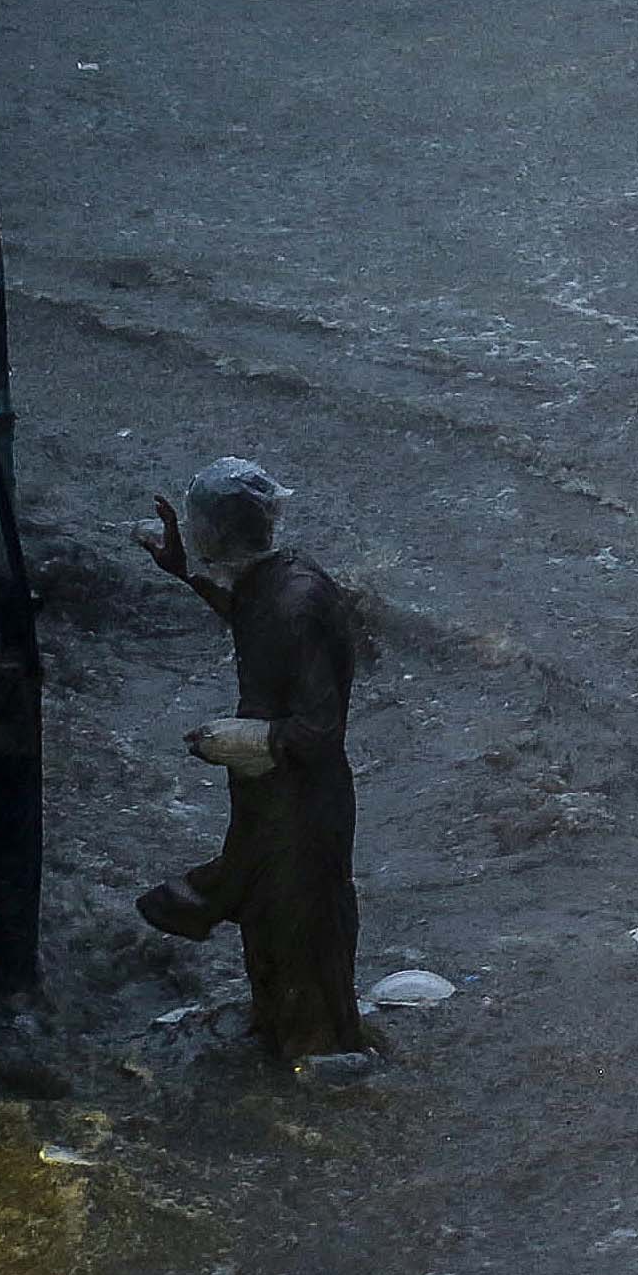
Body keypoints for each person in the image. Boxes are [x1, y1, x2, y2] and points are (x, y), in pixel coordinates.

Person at [133, 459, 365, 1070]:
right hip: (270, 802)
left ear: (220, 530)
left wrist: (248, 738)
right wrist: (183, 571)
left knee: (302, 939)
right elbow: (247, 620)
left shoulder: (297, 603)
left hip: (302, 810)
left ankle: (322, 1066)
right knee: (266, 930)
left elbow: (319, 729)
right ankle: (279, 1046)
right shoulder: (270, 587)